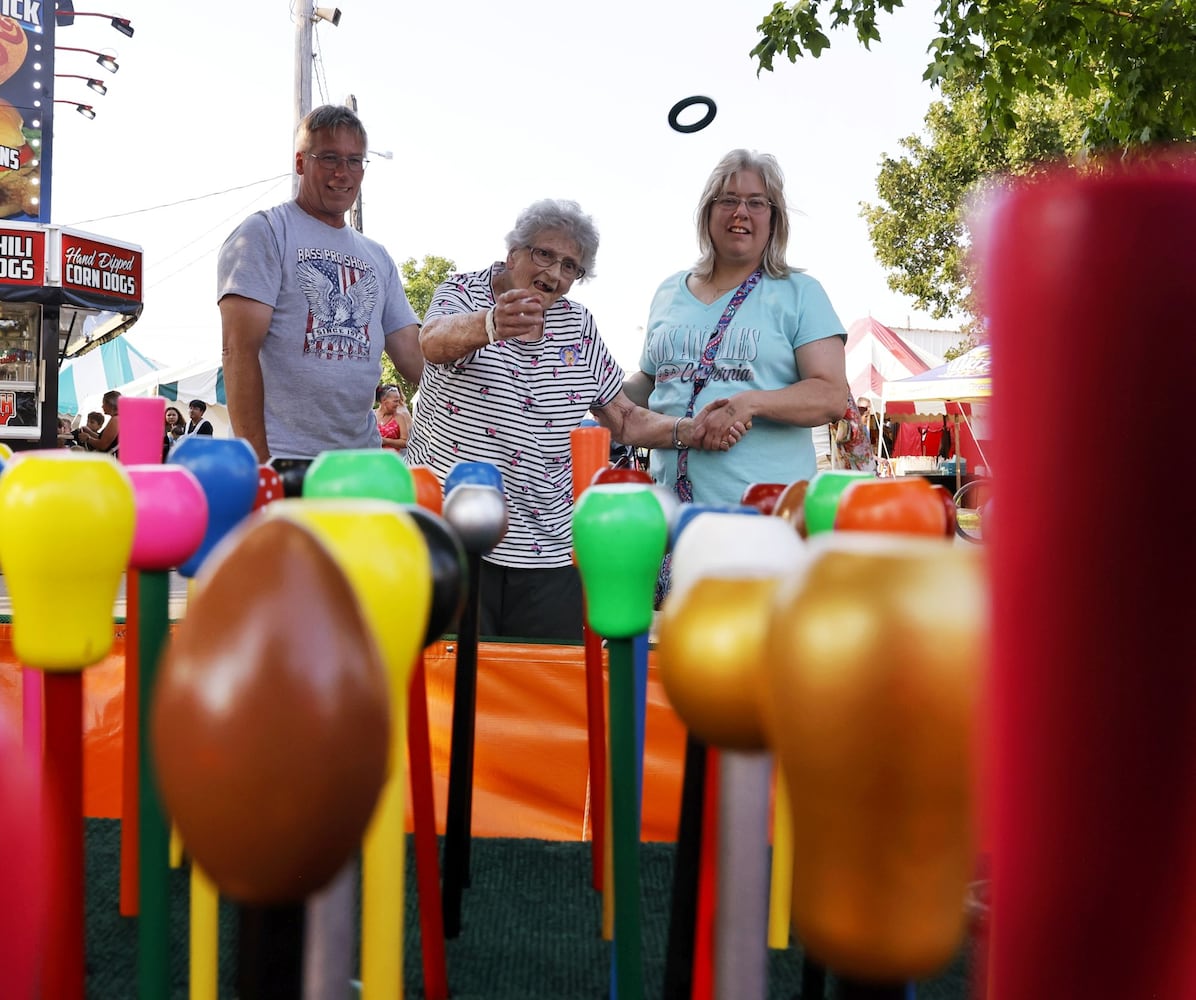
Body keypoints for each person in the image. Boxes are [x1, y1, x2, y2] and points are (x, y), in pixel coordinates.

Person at [405, 197, 742, 641]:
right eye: (544, 255)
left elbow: (622, 417)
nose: (555, 274)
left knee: (546, 688)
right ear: (513, 253)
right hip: (459, 537)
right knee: (459, 689)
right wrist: (490, 324)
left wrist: (688, 430)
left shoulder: (578, 326)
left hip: (549, 548)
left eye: (570, 266)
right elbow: (431, 342)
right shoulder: (463, 293)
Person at [217, 103, 423, 495]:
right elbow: (237, 352)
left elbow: (413, 356)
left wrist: (482, 346)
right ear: (300, 162)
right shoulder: (265, 233)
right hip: (285, 461)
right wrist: (261, 467)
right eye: (328, 158)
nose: (342, 173)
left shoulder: (377, 257)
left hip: (360, 467)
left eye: (354, 160)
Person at [624, 149, 849, 506]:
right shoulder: (668, 291)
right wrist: (594, 389)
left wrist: (750, 404)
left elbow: (831, 396)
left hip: (765, 521)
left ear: (774, 220)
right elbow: (651, 381)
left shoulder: (801, 293)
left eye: (756, 202)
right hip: (667, 519)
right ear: (708, 213)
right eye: (728, 200)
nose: (740, 212)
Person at [75, 391, 120, 456]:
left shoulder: (116, 420)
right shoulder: (117, 418)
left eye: (103, 403)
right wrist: (89, 432)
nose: (102, 406)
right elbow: (102, 438)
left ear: (110, 404)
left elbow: (103, 445)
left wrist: (88, 439)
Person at [374, 383, 412, 453]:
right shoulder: (372, 416)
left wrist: (386, 441)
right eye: (395, 401)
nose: (398, 404)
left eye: (398, 400)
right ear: (384, 401)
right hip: (373, 458)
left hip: (391, 460)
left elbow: (405, 442)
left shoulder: (400, 417)